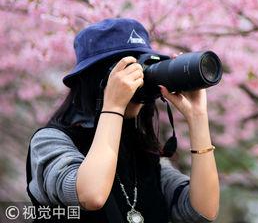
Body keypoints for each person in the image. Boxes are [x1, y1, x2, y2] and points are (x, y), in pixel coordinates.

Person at [25, 18, 220, 223]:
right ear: (97, 80)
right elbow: (91, 195)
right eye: (128, 69)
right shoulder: (50, 140)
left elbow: (203, 212)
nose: (139, 81)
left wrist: (198, 118)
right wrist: (113, 106)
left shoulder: (147, 156)